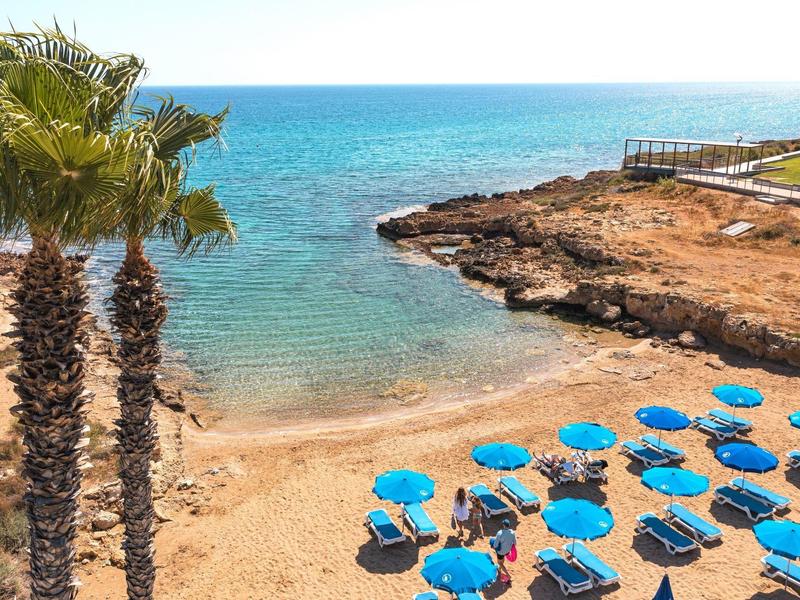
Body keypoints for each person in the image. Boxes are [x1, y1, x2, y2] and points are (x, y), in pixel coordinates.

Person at [492, 519, 516, 584]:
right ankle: (499, 569)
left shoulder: (499, 533)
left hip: (501, 551)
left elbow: (495, 545)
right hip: (508, 550)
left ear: (503, 525)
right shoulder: (512, 532)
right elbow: (515, 543)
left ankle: (508, 575)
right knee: (502, 560)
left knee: (499, 562)